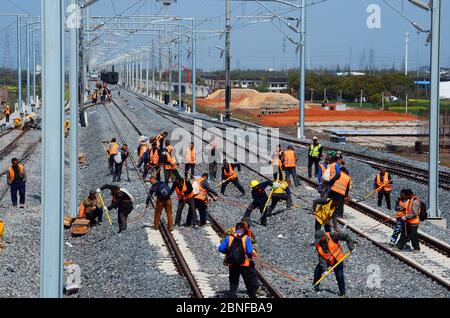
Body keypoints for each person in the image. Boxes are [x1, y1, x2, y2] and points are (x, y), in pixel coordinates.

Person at [218, 222, 257, 298]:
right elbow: (249, 251)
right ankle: (253, 296)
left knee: (233, 281)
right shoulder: (246, 238)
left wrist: (228, 251)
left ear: (235, 228)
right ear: (243, 229)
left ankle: (232, 295)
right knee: (248, 282)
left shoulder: (229, 238)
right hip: (244, 263)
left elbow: (221, 248)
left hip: (232, 263)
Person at [313, 229, 355, 297]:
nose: (319, 241)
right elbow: (321, 258)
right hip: (328, 260)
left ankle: (342, 293)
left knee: (340, 276)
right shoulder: (318, 245)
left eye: (320, 239)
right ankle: (315, 286)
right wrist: (325, 270)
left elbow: (346, 236)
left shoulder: (332, 235)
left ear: (323, 236)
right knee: (317, 270)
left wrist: (351, 247)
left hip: (337, 259)